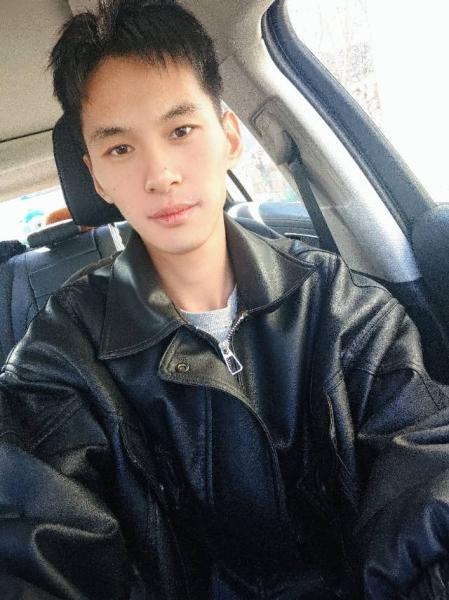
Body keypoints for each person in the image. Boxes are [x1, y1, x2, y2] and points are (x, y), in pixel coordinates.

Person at [1, 1, 449, 598]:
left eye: (181, 131)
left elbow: (426, 474)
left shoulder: (342, 305)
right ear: (97, 177)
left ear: (230, 137)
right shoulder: (57, 361)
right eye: (120, 149)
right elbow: (39, 542)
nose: (160, 174)